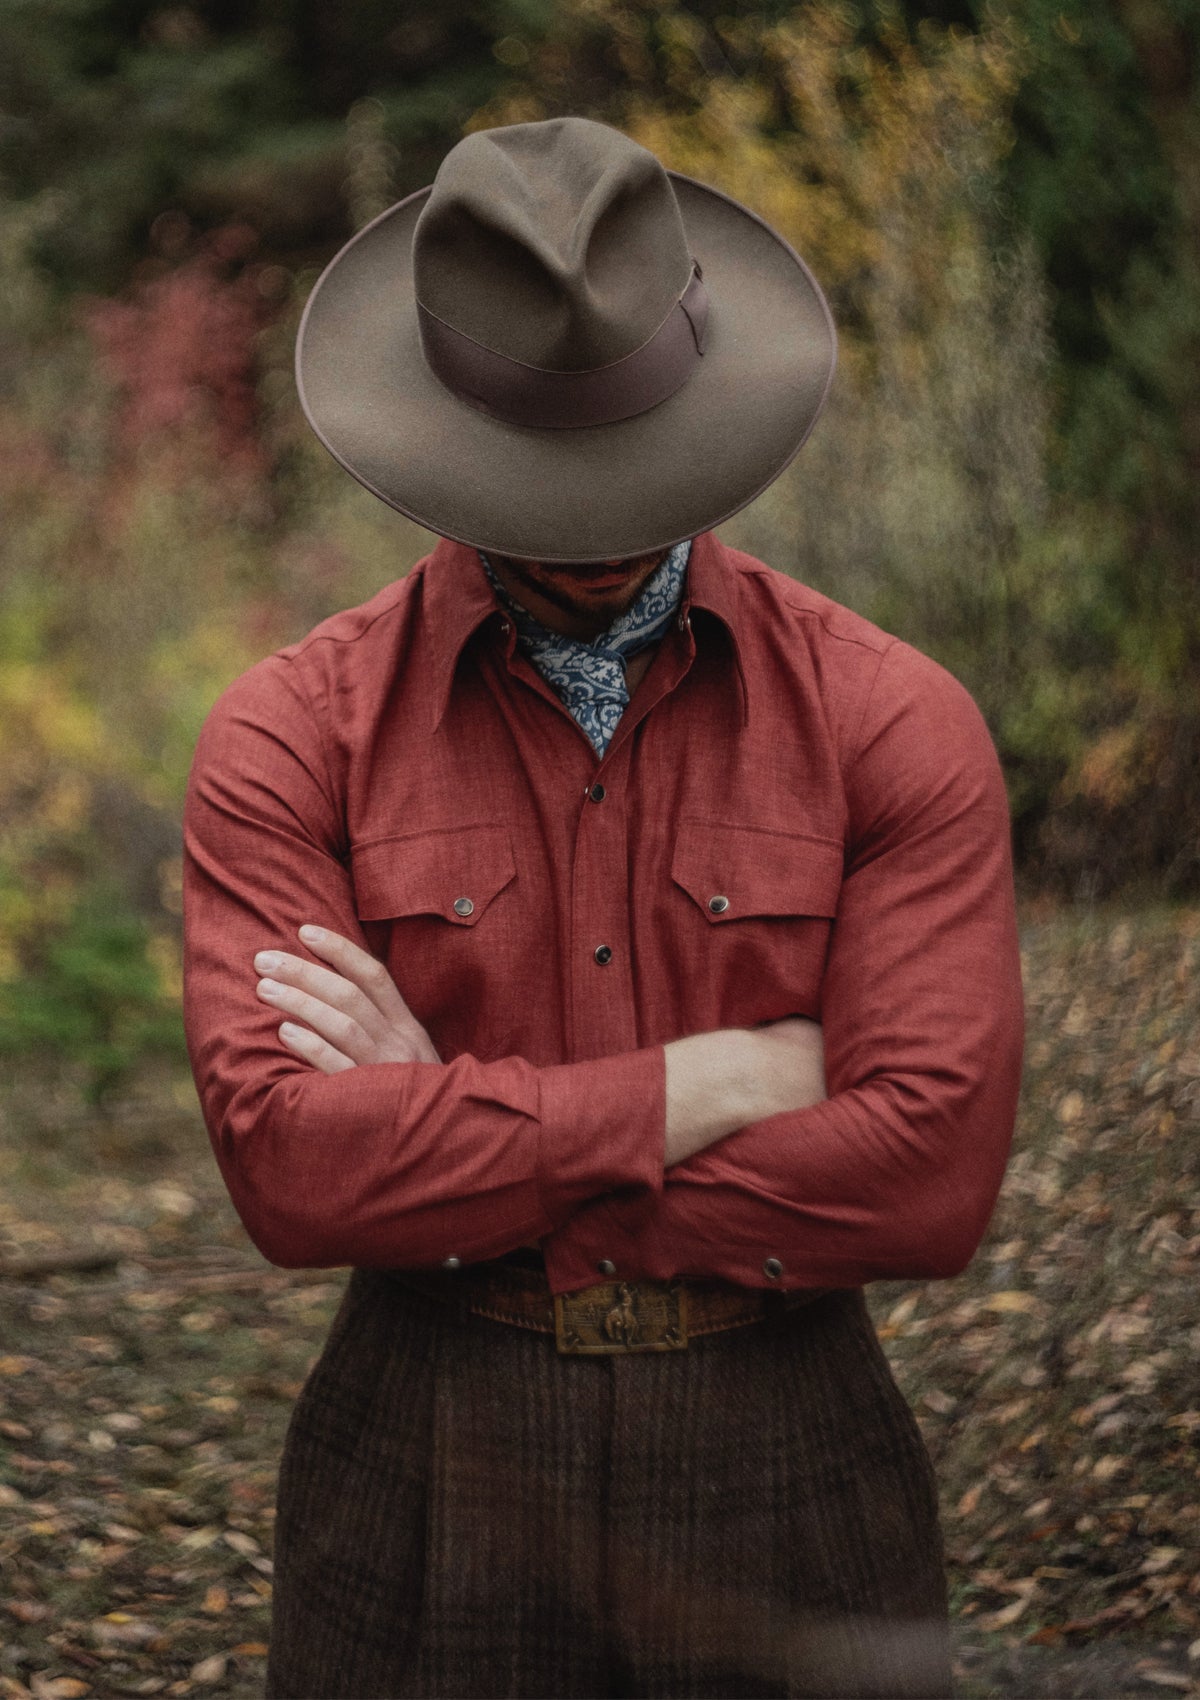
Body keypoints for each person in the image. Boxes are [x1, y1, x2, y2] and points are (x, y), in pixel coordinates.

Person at [182, 115, 1024, 1699]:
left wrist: (451, 1129)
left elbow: (929, 1183)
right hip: (427, 1465)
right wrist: (709, 1084)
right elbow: (294, 1176)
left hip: (794, 1455)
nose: (596, 529)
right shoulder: (292, 735)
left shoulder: (889, 719)